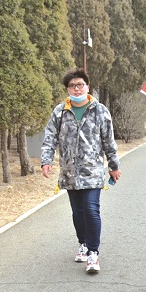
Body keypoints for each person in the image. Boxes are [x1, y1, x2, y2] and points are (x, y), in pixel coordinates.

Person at [41, 68, 121, 273]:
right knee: (77, 212)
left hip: (92, 170)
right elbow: (50, 137)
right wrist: (46, 160)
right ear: (68, 89)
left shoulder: (100, 110)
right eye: (72, 86)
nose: (76, 89)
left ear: (87, 86)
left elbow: (108, 140)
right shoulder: (60, 111)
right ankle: (83, 243)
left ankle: (93, 253)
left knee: (91, 209)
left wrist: (113, 165)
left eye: (80, 85)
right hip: (69, 171)